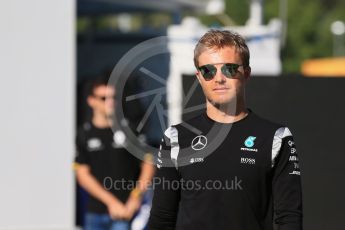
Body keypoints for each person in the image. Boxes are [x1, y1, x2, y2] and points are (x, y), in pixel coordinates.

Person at [148, 30, 303, 230]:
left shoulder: (277, 137)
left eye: (229, 69)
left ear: (246, 73)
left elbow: (289, 218)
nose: (218, 78)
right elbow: (161, 218)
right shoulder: (176, 137)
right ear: (199, 77)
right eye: (208, 71)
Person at [74, 76, 155, 230]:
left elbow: (148, 163)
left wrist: (135, 197)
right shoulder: (84, 134)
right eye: (104, 98)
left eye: (113, 97)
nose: (110, 102)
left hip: (127, 210)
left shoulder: (130, 129)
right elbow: (82, 175)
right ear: (91, 101)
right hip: (96, 212)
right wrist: (111, 202)